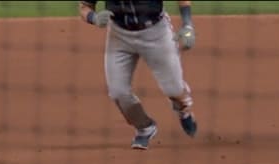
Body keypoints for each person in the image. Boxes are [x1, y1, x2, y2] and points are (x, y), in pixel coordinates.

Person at [79, 1, 198, 150]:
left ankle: (183, 110)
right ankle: (145, 127)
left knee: (174, 90)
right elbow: (84, 7)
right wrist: (93, 18)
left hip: (156, 34)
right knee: (118, 92)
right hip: (119, 36)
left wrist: (187, 25)